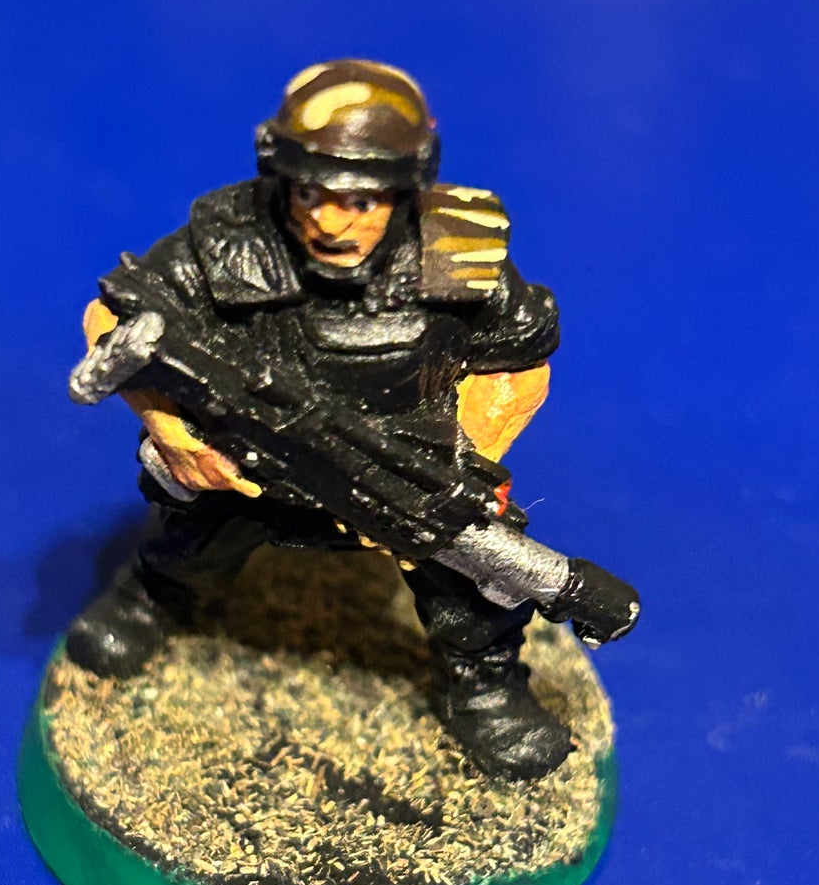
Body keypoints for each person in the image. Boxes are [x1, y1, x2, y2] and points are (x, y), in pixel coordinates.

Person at [67, 59, 581, 780]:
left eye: (361, 200)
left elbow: (518, 365)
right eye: (309, 192)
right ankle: (154, 599)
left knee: (472, 584)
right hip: (247, 465)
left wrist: (455, 466)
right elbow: (110, 319)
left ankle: (483, 687)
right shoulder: (232, 236)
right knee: (189, 537)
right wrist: (171, 432)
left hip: (405, 467)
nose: (328, 220)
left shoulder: (458, 250)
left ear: (406, 186)